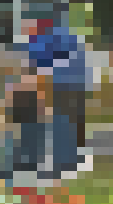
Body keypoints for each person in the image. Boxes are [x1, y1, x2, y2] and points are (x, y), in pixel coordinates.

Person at [26, 16, 91, 177]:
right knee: (60, 123)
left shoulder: (55, 37)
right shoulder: (39, 39)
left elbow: (73, 61)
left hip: (65, 85)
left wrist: (44, 74)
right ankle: (64, 162)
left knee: (64, 122)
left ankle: (67, 163)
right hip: (63, 85)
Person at [7, 19, 51, 180]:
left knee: (31, 130)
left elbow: (40, 72)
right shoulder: (21, 45)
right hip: (22, 93)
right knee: (20, 130)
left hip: (33, 92)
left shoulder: (39, 44)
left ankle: (30, 166)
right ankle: (21, 165)